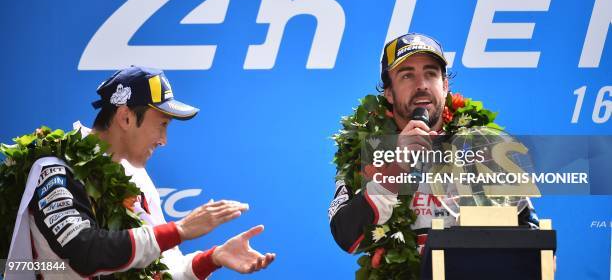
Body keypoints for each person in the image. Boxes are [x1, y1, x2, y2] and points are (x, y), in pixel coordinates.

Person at [16, 66, 275, 279]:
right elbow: (84, 253)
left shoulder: (137, 179)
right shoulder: (55, 169)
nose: (164, 140)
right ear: (126, 118)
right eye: (162, 125)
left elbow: (160, 271)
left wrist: (213, 258)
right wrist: (180, 230)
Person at [328, 33, 540, 255]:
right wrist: (396, 167)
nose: (422, 85)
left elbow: (531, 238)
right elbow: (347, 236)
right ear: (389, 92)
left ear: (445, 85)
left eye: (430, 74)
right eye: (407, 76)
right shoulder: (368, 151)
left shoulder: (482, 148)